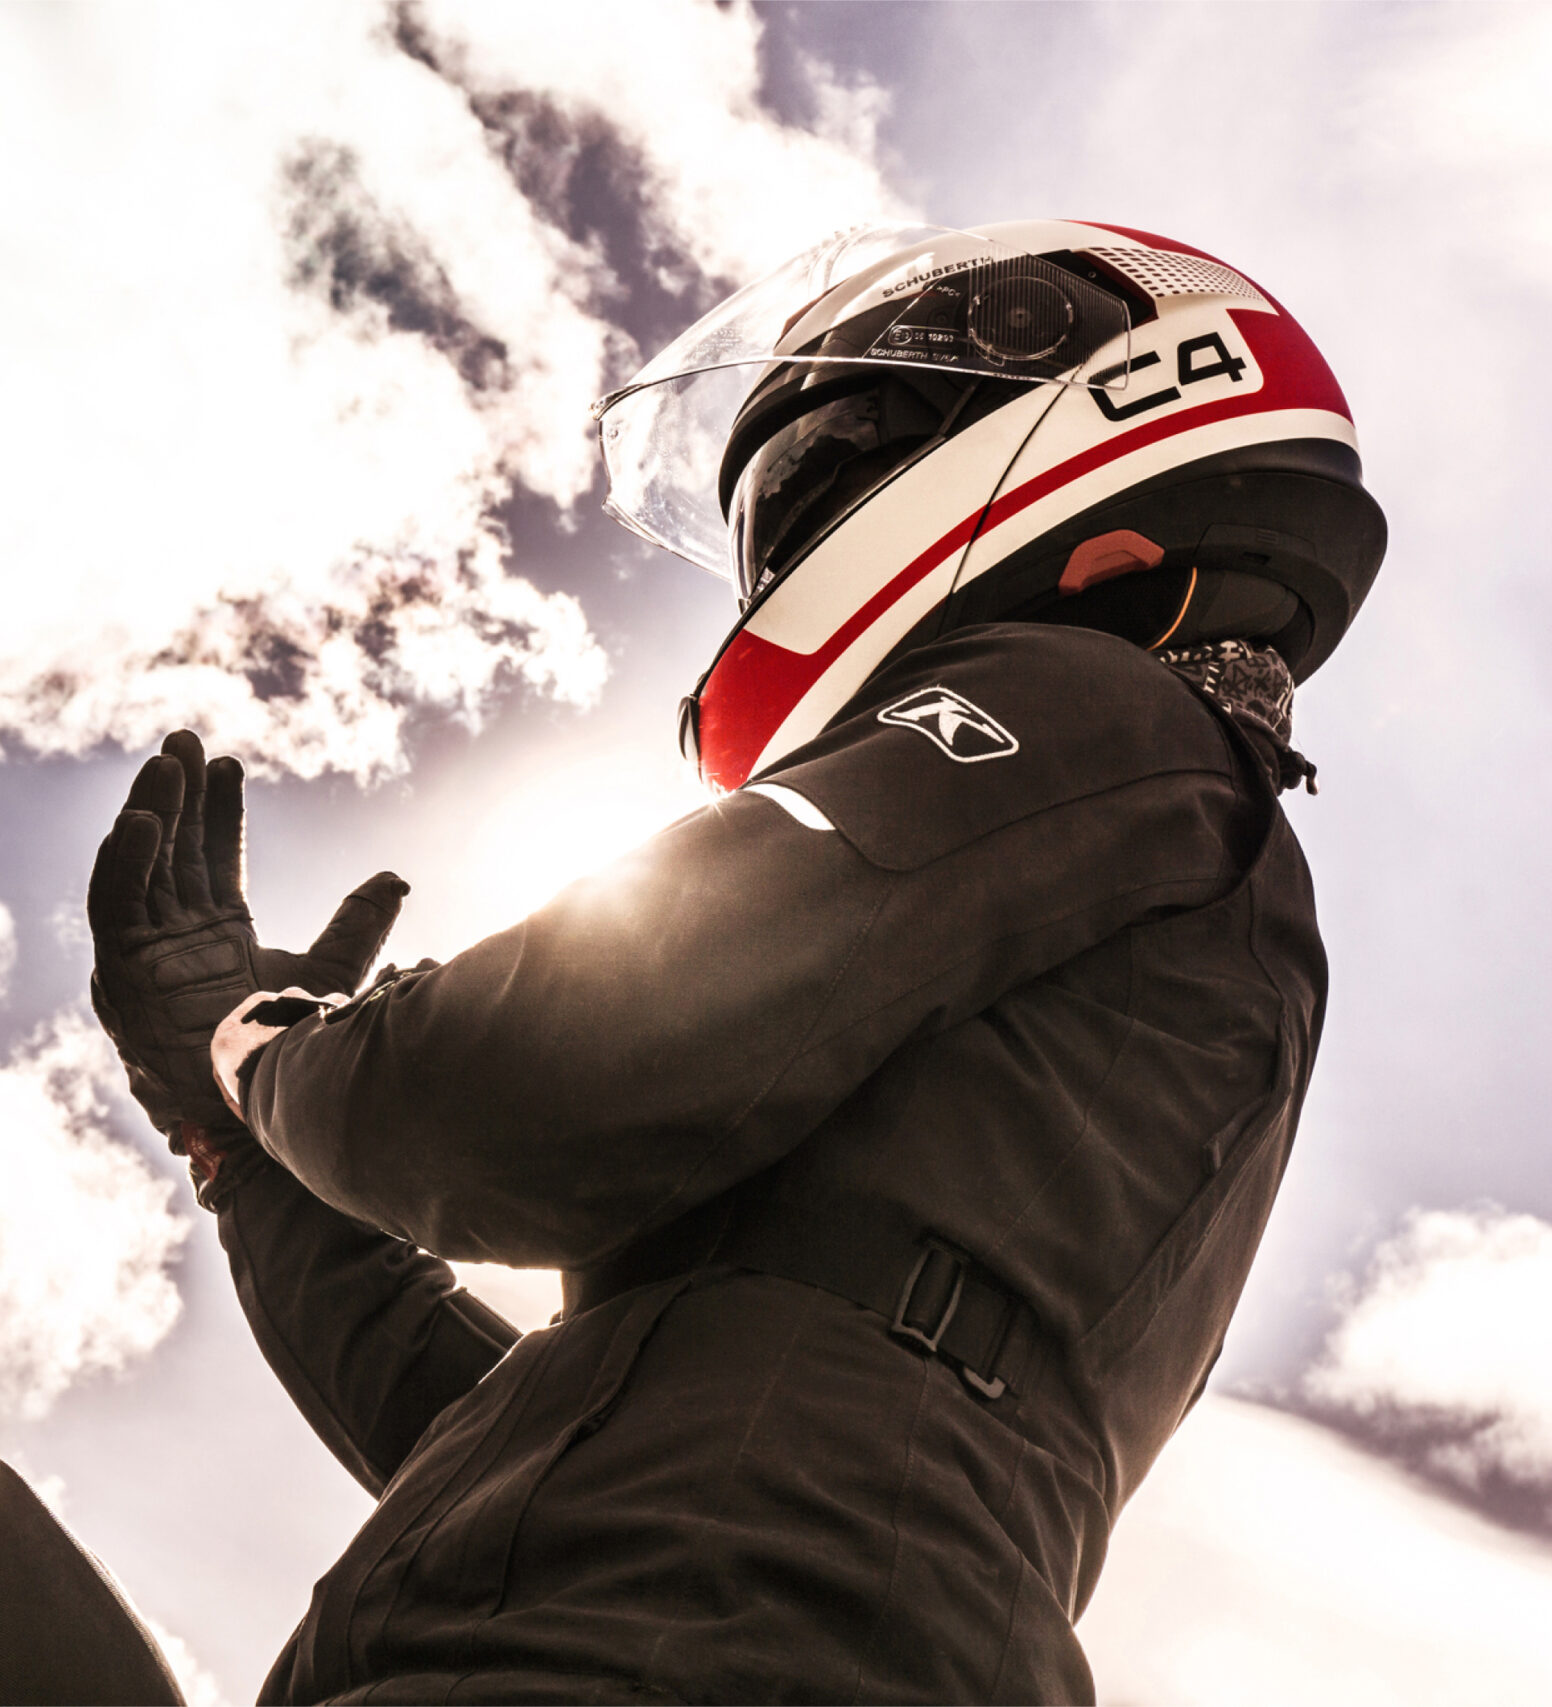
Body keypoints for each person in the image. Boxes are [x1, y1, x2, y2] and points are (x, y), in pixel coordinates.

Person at [88, 222, 1385, 1704]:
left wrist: (263, 1052)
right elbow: (540, 1453)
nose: (793, 532)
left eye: (833, 457)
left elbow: (517, 1082)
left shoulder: (1110, 712)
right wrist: (247, 1164)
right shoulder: (1131, 889)